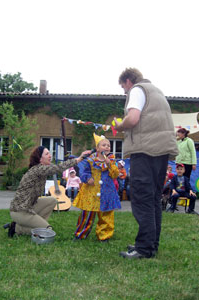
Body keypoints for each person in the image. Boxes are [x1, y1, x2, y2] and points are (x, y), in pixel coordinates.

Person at [114, 68, 178, 259]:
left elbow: (133, 119)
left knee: (142, 198)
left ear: (127, 81)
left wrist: (119, 125)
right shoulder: (156, 91)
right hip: (161, 151)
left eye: (123, 88)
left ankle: (143, 249)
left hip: (145, 150)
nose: (124, 92)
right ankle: (150, 245)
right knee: (153, 199)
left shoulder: (137, 90)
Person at [4, 146, 91, 237]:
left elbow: (55, 167)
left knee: (52, 200)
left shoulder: (42, 169)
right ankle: (17, 228)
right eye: (46, 154)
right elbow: (58, 168)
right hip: (20, 211)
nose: (50, 156)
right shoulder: (38, 169)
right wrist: (78, 159)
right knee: (47, 231)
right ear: (40, 159)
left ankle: (32, 225)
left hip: (30, 206)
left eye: (49, 153)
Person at [72, 133, 121, 242]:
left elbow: (115, 175)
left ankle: (104, 236)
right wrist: (87, 178)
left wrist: (109, 165)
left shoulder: (112, 160)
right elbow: (84, 173)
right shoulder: (90, 160)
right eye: (104, 145)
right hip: (91, 192)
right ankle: (80, 234)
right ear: (98, 148)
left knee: (106, 215)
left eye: (108, 145)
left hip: (107, 192)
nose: (107, 147)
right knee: (87, 213)